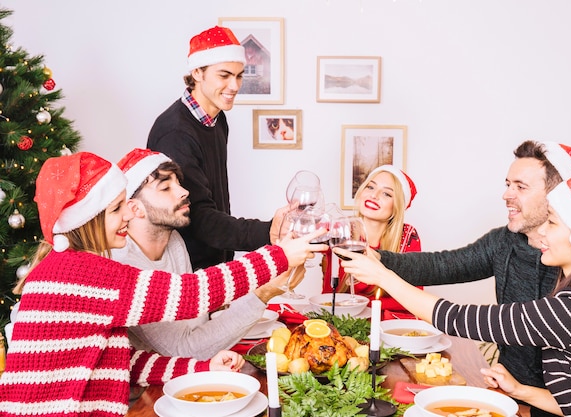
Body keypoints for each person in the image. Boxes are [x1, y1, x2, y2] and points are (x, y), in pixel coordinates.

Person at [0, 152, 326, 417]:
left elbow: (125, 361)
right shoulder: (85, 274)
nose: (128, 215)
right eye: (116, 210)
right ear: (89, 219)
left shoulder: (76, 267)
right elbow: (193, 293)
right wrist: (278, 255)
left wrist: (200, 368)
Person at [337, 168, 571, 416]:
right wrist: (522, 391)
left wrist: (382, 277)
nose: (542, 233)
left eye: (551, 223)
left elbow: (457, 318)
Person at [111, 148, 305, 360]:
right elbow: (182, 351)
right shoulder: (123, 264)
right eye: (166, 187)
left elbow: (194, 320)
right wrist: (262, 293)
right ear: (135, 208)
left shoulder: (173, 240)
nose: (184, 192)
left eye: (178, 182)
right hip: (146, 388)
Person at [147, 26, 281, 269]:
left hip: (214, 261)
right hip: (185, 267)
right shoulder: (176, 133)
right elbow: (197, 217)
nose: (235, 85)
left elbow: (214, 200)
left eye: (239, 75)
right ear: (197, 72)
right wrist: (269, 231)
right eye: (224, 75)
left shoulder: (217, 120)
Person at [321, 165, 422, 318]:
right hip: (339, 321)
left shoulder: (407, 236)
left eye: (387, 194)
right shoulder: (339, 230)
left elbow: (414, 297)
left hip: (388, 327)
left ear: (397, 206)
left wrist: (361, 303)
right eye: (370, 187)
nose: (374, 195)